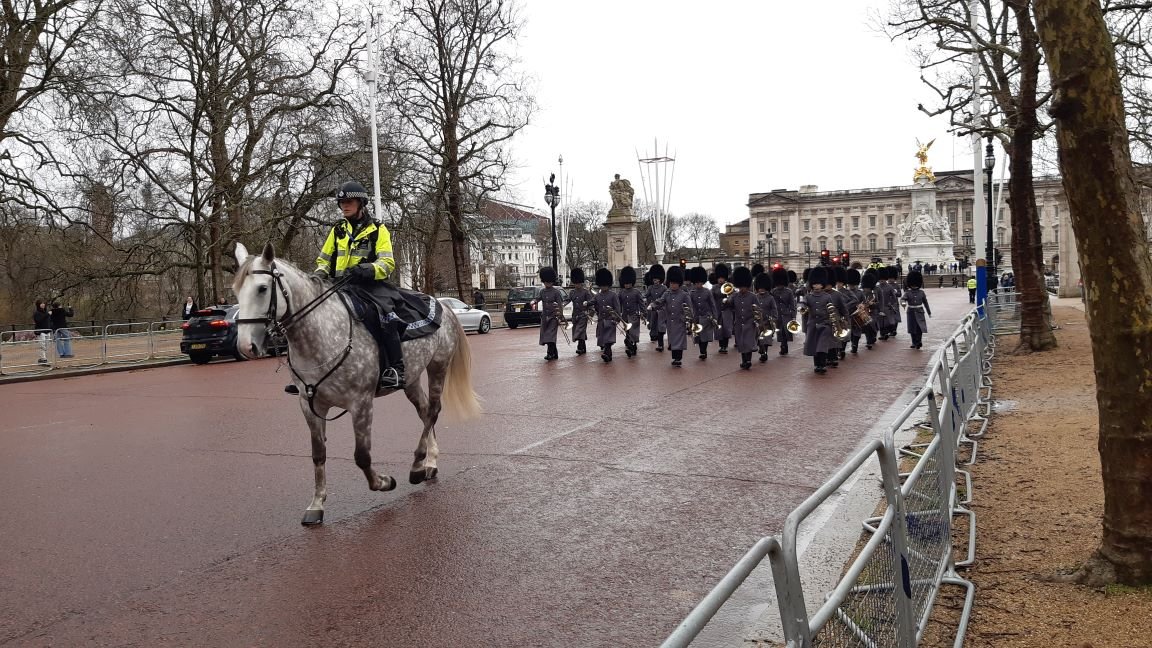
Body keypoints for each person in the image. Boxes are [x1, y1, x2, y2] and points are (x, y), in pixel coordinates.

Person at [293, 180, 405, 393]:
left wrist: (368, 269)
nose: (344, 206)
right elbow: (324, 260)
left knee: (386, 317)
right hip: (340, 285)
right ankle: (307, 374)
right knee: (310, 316)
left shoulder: (378, 230)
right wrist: (317, 277)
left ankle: (396, 369)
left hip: (370, 286)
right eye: (342, 202)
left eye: (349, 202)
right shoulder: (337, 230)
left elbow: (387, 263)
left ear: (361, 203)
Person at [801, 267, 838, 375]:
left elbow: (832, 309)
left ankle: (822, 364)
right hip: (812, 325)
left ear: (823, 284)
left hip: (825, 324)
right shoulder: (808, 296)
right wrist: (802, 307)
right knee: (814, 346)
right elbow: (803, 303)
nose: (817, 286)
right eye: (815, 284)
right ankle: (817, 365)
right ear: (812, 285)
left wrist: (834, 322)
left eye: (819, 284)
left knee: (822, 345)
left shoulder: (827, 296)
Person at [725, 266, 760, 370]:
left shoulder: (753, 296)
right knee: (741, 342)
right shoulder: (735, 296)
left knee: (748, 342)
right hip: (739, 323)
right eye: (740, 287)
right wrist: (727, 301)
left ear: (747, 286)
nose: (742, 289)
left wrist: (757, 320)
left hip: (750, 322)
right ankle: (744, 360)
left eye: (744, 287)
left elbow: (758, 310)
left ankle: (748, 360)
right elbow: (729, 306)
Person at [659, 265, 694, 367]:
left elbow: (689, 308)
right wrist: (652, 306)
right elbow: (660, 301)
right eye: (671, 283)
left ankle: (678, 358)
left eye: (675, 283)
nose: (673, 285)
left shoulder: (684, 294)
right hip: (670, 321)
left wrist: (688, 321)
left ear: (679, 284)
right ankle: (675, 357)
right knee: (672, 340)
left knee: (679, 340)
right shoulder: (667, 293)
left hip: (680, 320)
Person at [591, 268, 621, 362]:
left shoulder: (613, 295)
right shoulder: (598, 296)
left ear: (608, 285)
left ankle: (606, 354)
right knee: (603, 339)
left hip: (610, 320)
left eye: (605, 285)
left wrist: (617, 318)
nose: (603, 287)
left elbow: (617, 308)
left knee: (608, 339)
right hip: (601, 321)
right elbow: (594, 304)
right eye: (601, 286)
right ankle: (608, 355)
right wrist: (586, 303)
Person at [689, 266, 718, 360]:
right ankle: (702, 351)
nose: (698, 285)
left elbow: (712, 304)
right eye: (696, 283)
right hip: (696, 317)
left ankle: (703, 351)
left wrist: (715, 317)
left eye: (700, 283)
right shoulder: (692, 292)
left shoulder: (707, 292)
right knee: (699, 336)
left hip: (706, 317)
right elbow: (690, 305)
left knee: (705, 336)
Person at [617, 266, 643, 358]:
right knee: (628, 333)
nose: (627, 285)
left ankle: (632, 347)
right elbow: (618, 304)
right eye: (625, 283)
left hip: (634, 315)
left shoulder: (636, 292)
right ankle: (631, 347)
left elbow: (641, 303)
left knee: (633, 333)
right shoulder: (621, 293)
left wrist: (644, 313)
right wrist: (617, 314)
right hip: (625, 316)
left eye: (629, 283)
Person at [538, 267, 563, 361]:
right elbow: (538, 298)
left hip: (553, 317)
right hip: (545, 317)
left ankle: (550, 353)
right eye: (546, 282)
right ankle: (554, 353)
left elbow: (560, 304)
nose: (547, 283)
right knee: (547, 336)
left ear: (552, 281)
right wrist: (533, 301)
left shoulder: (556, 292)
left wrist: (560, 315)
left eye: (549, 282)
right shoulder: (542, 291)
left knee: (550, 335)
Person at [903, 270, 933, 349]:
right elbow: (903, 299)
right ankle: (914, 342)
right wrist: (903, 303)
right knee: (912, 328)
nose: (914, 286)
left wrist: (929, 312)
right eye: (913, 284)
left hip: (920, 311)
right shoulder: (907, 292)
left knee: (920, 328)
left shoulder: (921, 292)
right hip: (911, 312)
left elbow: (925, 303)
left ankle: (919, 341)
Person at [769, 266, 795, 356]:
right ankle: (783, 345)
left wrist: (793, 315)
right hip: (777, 314)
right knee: (779, 331)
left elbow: (792, 304)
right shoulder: (773, 291)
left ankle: (784, 346)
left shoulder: (789, 292)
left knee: (785, 331)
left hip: (786, 314)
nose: (779, 285)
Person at [568, 268, 593, 356]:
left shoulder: (586, 292)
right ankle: (582, 347)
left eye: (578, 283)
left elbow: (591, 303)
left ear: (581, 283)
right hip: (575, 315)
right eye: (575, 283)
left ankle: (579, 347)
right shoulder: (572, 293)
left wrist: (590, 313)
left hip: (583, 315)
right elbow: (567, 301)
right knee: (579, 331)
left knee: (579, 330)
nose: (577, 285)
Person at [643, 264, 667, 351]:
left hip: (661, 309)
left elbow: (664, 298)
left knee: (660, 325)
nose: (655, 281)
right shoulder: (650, 288)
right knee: (653, 323)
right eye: (654, 279)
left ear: (660, 279)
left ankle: (660, 342)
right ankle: (653, 335)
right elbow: (646, 295)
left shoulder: (664, 288)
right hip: (653, 309)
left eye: (656, 279)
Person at [711, 263, 733, 354]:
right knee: (719, 329)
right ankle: (721, 346)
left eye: (722, 278)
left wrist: (728, 300)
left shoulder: (728, 286)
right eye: (719, 278)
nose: (720, 279)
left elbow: (732, 296)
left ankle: (725, 346)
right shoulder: (714, 287)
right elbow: (711, 298)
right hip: (717, 310)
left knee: (726, 329)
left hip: (726, 310)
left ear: (724, 278)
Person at [33, 300, 51, 365]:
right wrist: (47, 315)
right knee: (42, 346)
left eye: (43, 303)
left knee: (46, 346)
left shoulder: (46, 312)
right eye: (41, 303)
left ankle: (41, 358)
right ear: (38, 305)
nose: (43, 304)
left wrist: (51, 328)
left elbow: (49, 321)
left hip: (47, 331)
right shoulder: (36, 313)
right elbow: (38, 321)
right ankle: (44, 359)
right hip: (41, 331)